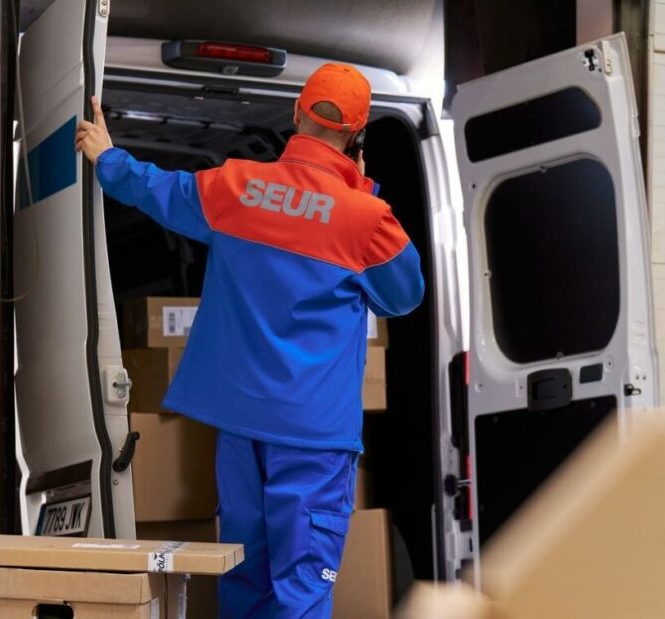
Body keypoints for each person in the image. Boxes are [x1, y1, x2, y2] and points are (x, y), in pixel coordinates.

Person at [76, 63, 425, 618]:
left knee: (245, 577)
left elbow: (155, 189)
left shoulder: (235, 187)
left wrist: (107, 156)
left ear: (296, 115)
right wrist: (359, 189)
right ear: (357, 136)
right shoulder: (367, 219)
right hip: (313, 438)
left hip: (240, 430)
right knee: (303, 584)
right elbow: (403, 296)